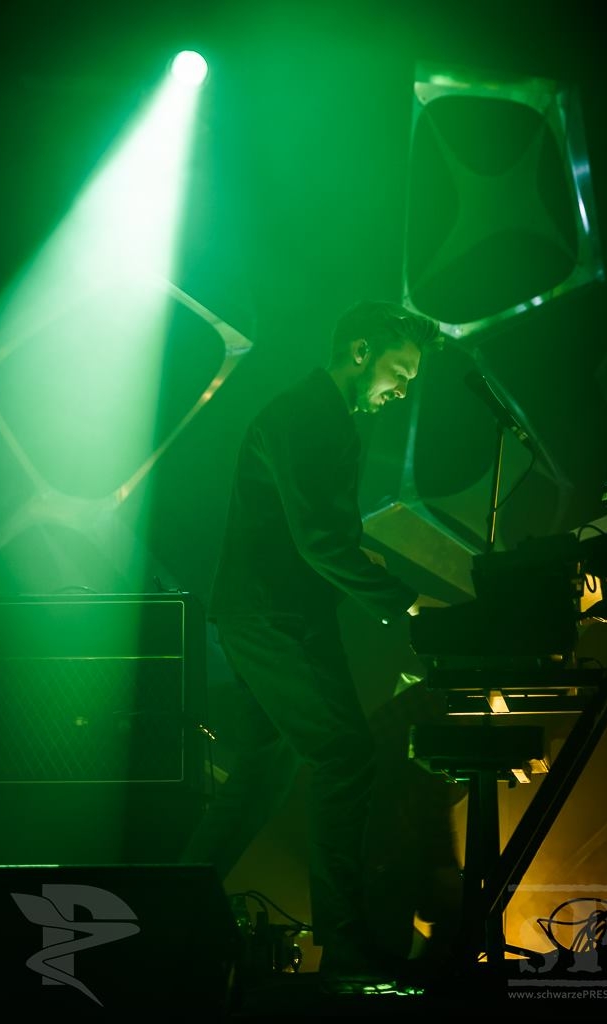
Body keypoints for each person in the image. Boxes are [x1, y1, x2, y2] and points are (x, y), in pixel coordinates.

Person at [180, 299, 447, 992]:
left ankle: (167, 919)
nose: (403, 389)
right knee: (345, 756)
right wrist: (406, 603)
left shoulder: (321, 417)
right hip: (273, 618)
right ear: (360, 352)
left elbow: (319, 532)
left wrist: (371, 568)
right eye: (400, 371)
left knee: (263, 772)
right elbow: (320, 541)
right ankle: (346, 946)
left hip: (270, 614)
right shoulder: (305, 415)